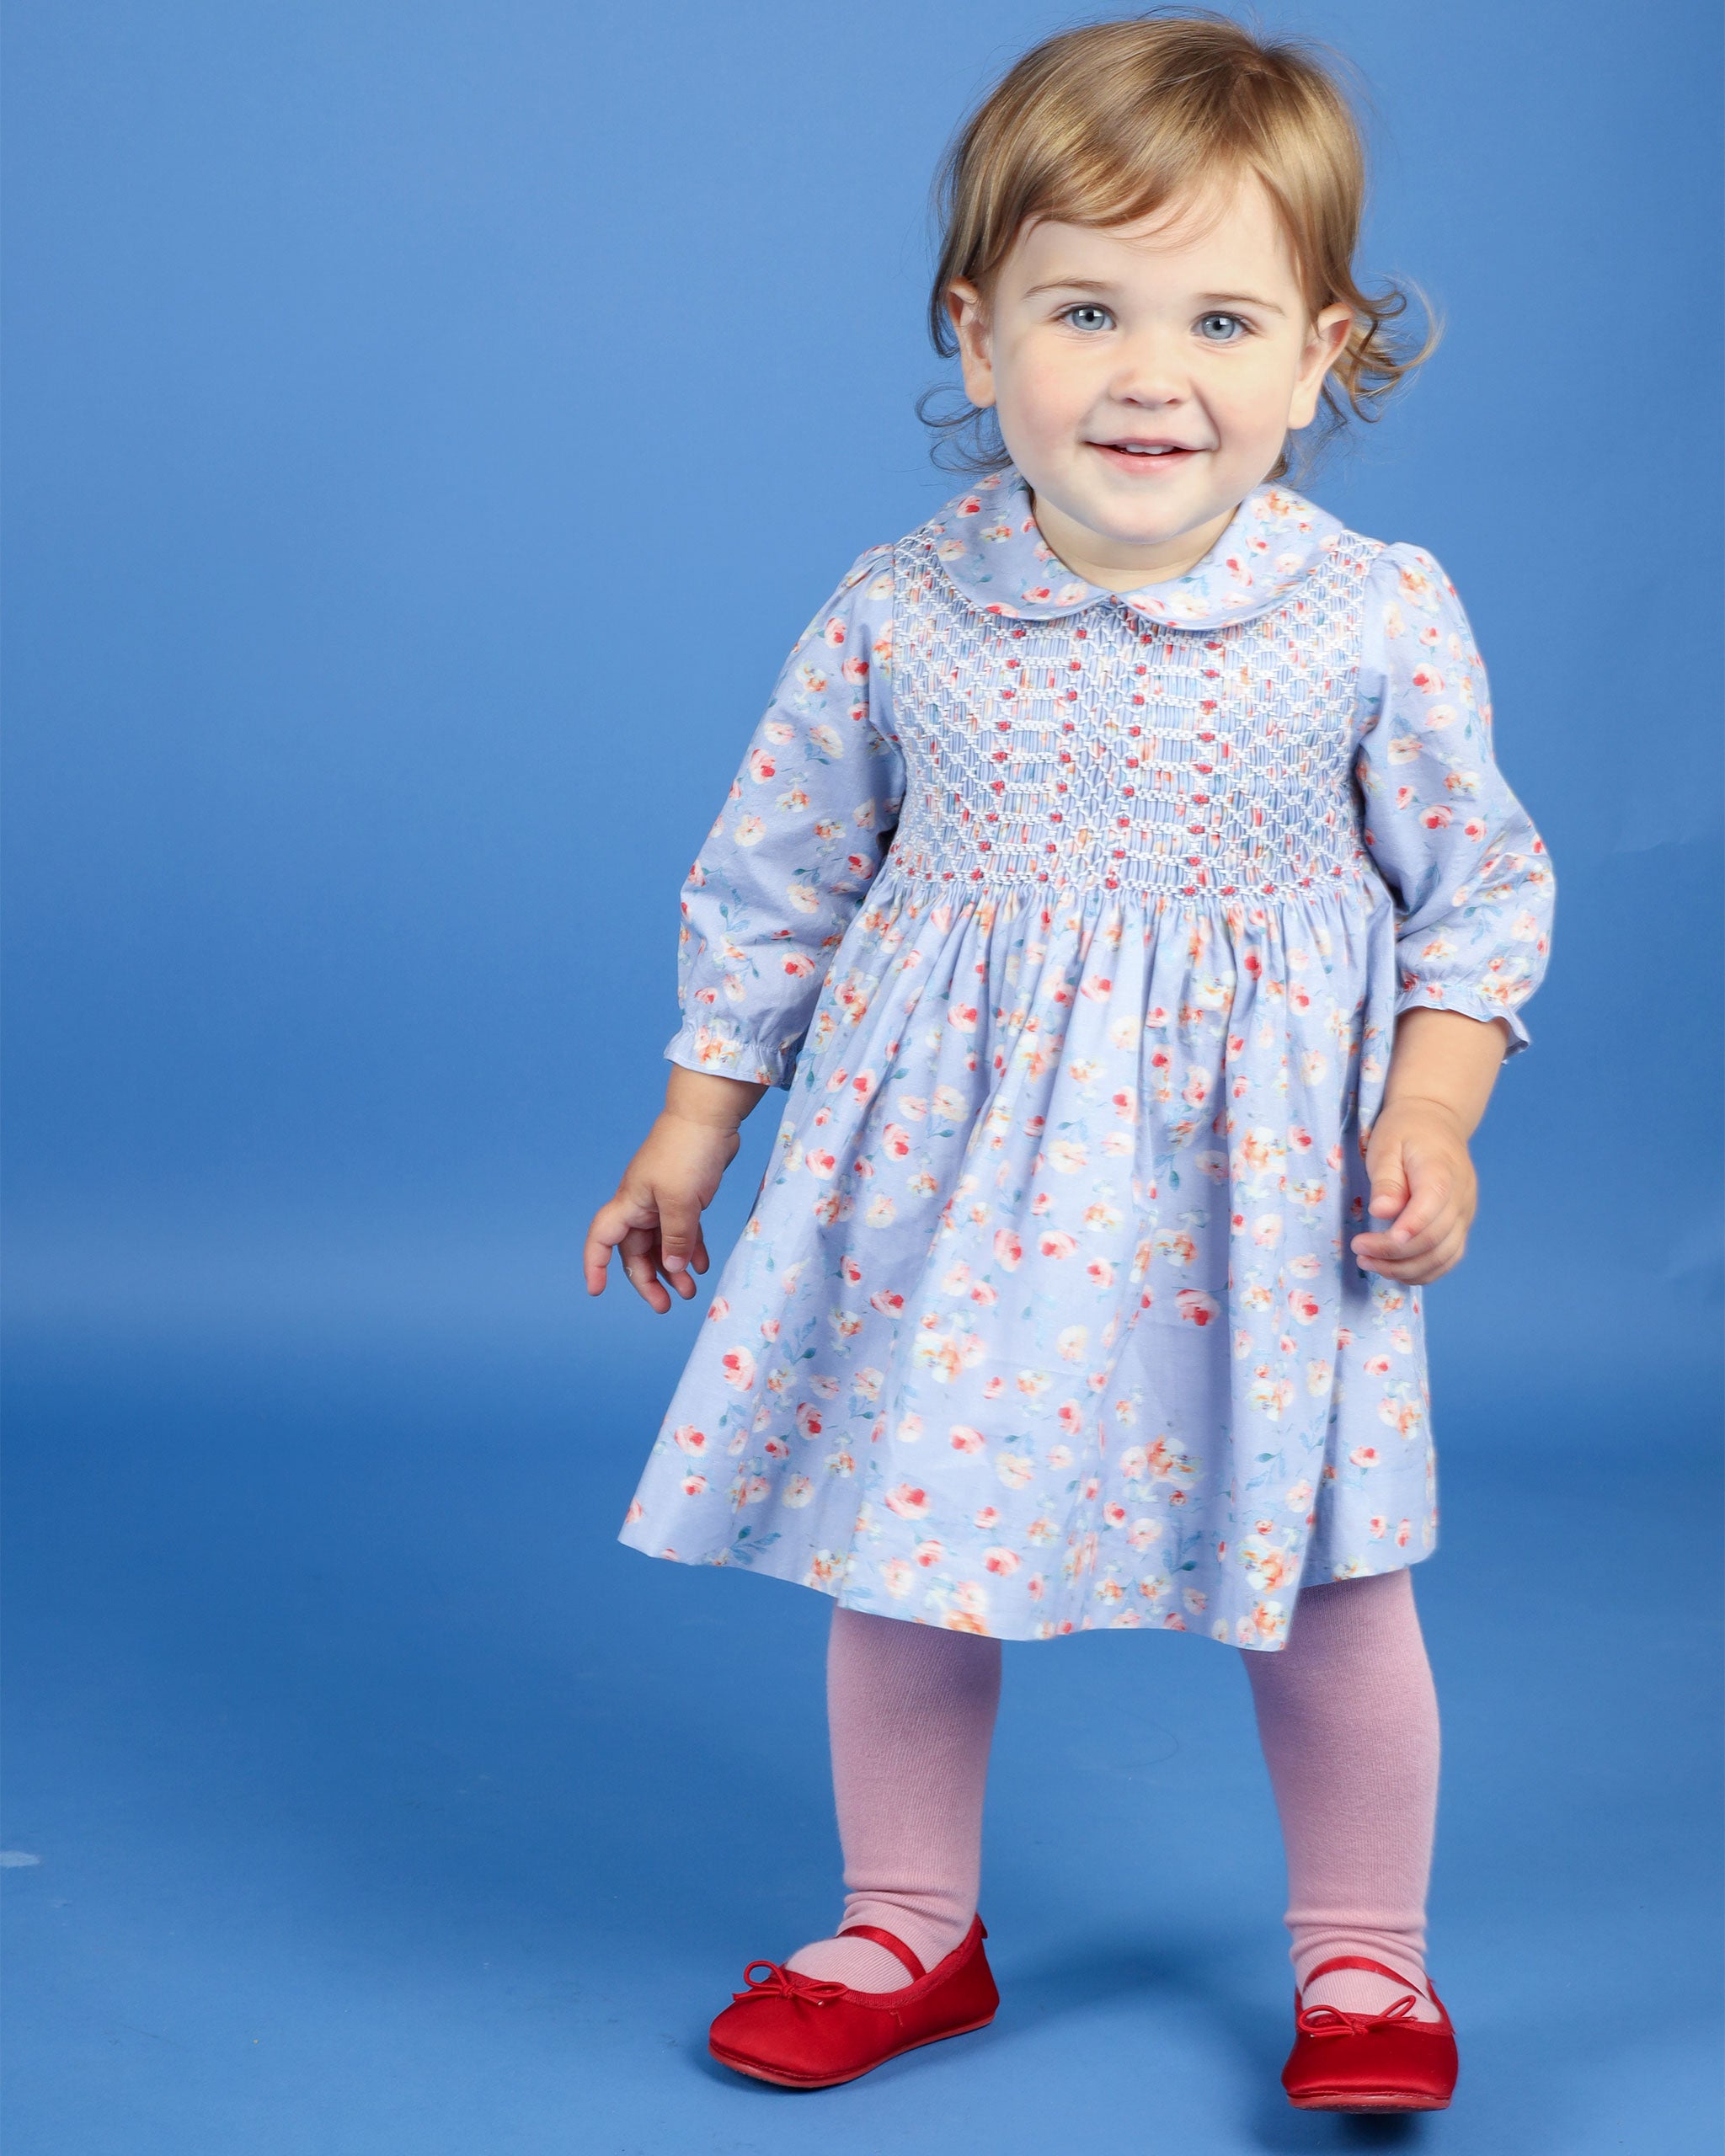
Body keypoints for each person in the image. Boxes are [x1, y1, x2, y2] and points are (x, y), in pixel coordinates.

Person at [585, 10, 1555, 2114]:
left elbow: (1477, 894)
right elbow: (774, 876)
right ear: (975, 330)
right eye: (1082, 306)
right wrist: (691, 1125)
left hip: (1258, 1192)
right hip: (944, 1171)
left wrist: (1432, 1107)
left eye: (1221, 315)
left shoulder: (1371, 613)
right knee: (908, 1550)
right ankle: (906, 1923)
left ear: (1321, 357)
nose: (1149, 371)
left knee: (1324, 1574)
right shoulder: (899, 611)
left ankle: (1366, 1964)